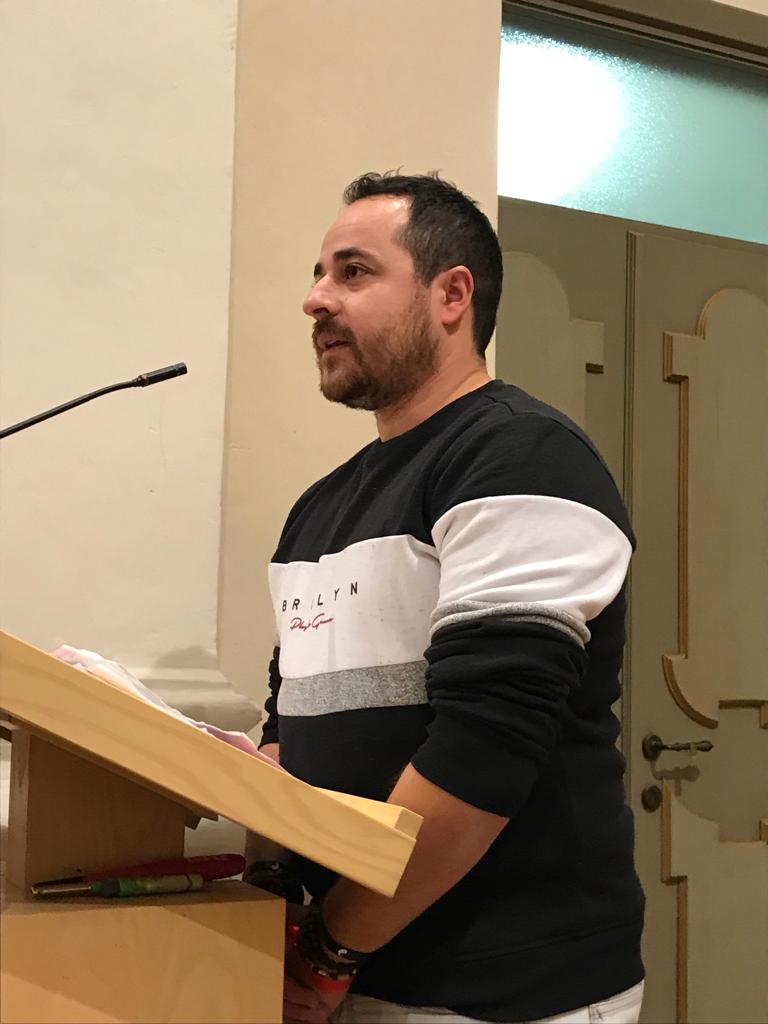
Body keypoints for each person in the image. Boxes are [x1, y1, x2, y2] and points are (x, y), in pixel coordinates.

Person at [247, 172, 645, 1024]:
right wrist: (272, 891)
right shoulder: (318, 509)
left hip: (502, 989)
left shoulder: (523, 459)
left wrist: (329, 947)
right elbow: (293, 723)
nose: (315, 300)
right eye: (318, 275)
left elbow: (485, 748)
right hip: (346, 967)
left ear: (452, 295)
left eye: (353, 273)